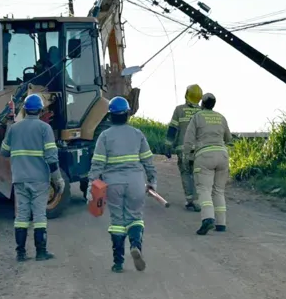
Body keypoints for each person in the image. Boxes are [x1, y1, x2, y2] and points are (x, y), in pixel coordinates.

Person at [87, 96, 157, 273]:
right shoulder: (137, 134)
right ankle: (135, 245)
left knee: (117, 221)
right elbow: (148, 161)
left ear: (110, 116)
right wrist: (152, 181)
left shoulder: (104, 136)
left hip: (113, 184)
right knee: (135, 217)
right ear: (127, 115)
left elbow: (97, 164)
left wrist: (90, 185)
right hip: (135, 182)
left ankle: (118, 263)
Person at [0, 93, 64, 262]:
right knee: (39, 215)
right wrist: (57, 179)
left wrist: (8, 127)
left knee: (21, 216)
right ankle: (41, 252)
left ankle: (20, 253)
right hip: (39, 179)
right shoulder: (44, 129)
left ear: (25, 110)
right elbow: (51, 156)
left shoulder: (14, 128)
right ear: (41, 110)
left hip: (19, 178)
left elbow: (4, 152)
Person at [183, 93, 233, 235]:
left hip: (204, 156)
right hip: (222, 155)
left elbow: (188, 138)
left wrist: (186, 155)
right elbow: (228, 138)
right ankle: (221, 224)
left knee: (204, 189)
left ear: (202, 104)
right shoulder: (221, 117)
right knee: (219, 190)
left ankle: (208, 219)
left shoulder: (197, 117)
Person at [163, 84, 203, 212]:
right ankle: (200, 200)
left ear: (186, 94)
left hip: (183, 149)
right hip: (199, 150)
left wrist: (168, 146)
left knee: (186, 174)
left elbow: (172, 129)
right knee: (198, 174)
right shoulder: (203, 111)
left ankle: (191, 200)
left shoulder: (179, 110)